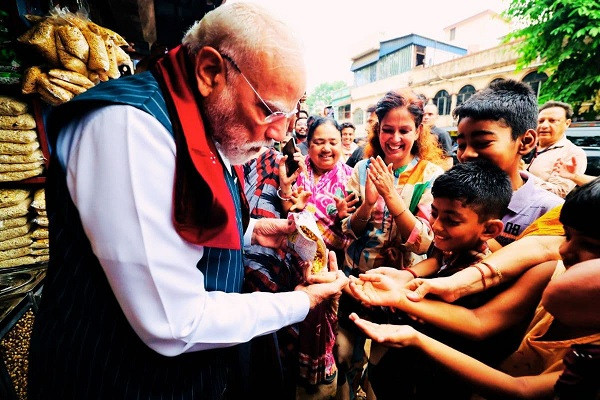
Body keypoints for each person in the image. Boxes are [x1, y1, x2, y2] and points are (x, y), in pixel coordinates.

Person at [27, 3, 348, 399]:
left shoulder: (203, 120)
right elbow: (173, 322)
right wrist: (300, 302)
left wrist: (250, 231)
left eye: (289, 114)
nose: (279, 134)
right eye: (268, 111)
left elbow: (169, 222)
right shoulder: (131, 129)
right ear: (210, 72)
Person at [349, 178, 600, 399]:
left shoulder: (492, 262)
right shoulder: (548, 270)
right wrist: (406, 283)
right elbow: (441, 263)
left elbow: (520, 388)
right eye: (566, 236)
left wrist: (409, 318)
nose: (563, 249)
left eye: (589, 245)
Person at [348, 159, 515, 399]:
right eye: (434, 214)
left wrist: (393, 297)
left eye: (451, 220)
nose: (436, 226)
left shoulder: (476, 279)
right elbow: (437, 257)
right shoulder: (455, 247)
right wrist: (406, 275)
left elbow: (447, 323)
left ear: (489, 230)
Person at [336, 90, 444, 399]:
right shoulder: (361, 170)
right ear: (378, 130)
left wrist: (390, 196)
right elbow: (349, 230)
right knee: (344, 354)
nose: (395, 139)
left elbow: (424, 243)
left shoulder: (431, 177)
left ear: (418, 131)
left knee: (383, 367)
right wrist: (367, 204)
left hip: (399, 287)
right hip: (356, 279)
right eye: (388, 130)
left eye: (404, 130)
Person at [278, 116, 357, 398]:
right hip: (293, 266)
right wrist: (291, 200)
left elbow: (356, 231)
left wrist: (346, 217)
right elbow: (285, 213)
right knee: (294, 328)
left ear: (342, 144)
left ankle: (323, 378)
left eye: (332, 142)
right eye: (319, 142)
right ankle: (296, 377)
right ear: (308, 145)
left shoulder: (351, 178)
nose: (326, 148)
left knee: (328, 332)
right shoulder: (297, 172)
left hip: (331, 270)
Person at [453, 79, 563, 249]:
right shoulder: (455, 197)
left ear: (526, 141)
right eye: (461, 145)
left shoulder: (549, 211)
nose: (466, 154)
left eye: (482, 143)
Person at [527, 101, 587, 198]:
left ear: (567, 123)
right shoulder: (525, 144)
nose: (544, 125)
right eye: (541, 121)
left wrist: (522, 175)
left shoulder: (573, 153)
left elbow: (559, 192)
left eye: (552, 121)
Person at [422, 103, 453, 170]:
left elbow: (449, 160)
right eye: (423, 114)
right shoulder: (416, 133)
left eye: (430, 114)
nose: (426, 117)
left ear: (437, 117)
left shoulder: (442, 134)